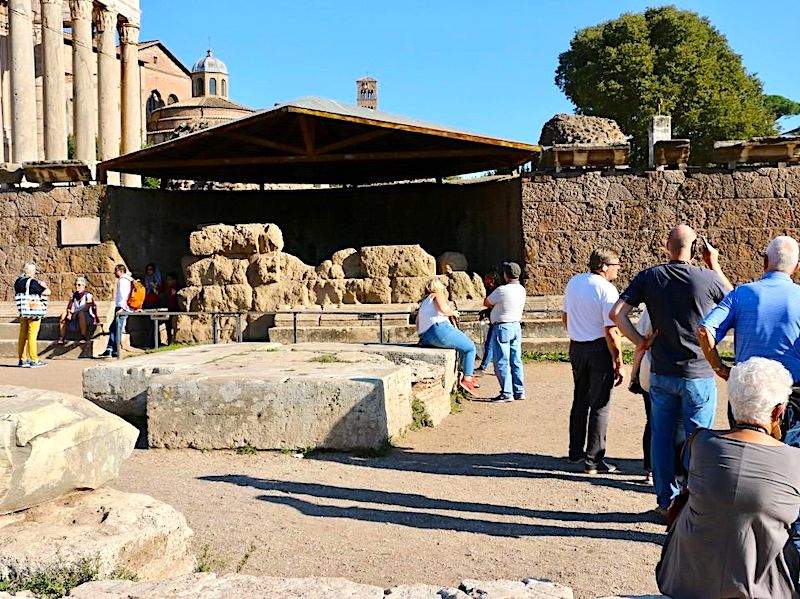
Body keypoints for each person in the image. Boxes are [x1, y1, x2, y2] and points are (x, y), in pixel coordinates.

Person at [610, 224, 733, 516]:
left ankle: (666, 503)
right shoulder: (707, 278)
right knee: (698, 440)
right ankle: (694, 504)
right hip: (698, 372)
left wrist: (640, 343)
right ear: (694, 249)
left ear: (666, 247)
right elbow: (735, 301)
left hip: (662, 373)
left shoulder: (650, 276)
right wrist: (714, 264)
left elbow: (617, 314)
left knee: (661, 438)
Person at [656, 357, 800, 599]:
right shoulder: (794, 461)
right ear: (778, 412)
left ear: (732, 403)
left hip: (685, 582)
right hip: (762, 590)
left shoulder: (699, 444)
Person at [699, 235, 800, 386]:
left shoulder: (740, 294)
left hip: (746, 389)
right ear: (797, 267)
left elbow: (704, 331)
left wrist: (720, 368)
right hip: (791, 389)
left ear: (765, 261)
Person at [563, 248, 624, 474]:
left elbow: (565, 317)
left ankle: (575, 452)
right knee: (600, 404)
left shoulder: (574, 282)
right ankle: (594, 459)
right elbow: (611, 330)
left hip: (577, 346)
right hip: (598, 348)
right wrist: (618, 360)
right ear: (604, 267)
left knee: (580, 399)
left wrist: (577, 333)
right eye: (616, 265)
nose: (618, 269)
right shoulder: (607, 289)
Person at [417, 277, 479, 395]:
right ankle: (467, 379)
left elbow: (418, 323)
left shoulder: (425, 302)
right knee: (470, 347)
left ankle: (464, 372)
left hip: (426, 336)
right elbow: (444, 309)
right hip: (439, 330)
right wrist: (453, 312)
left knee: (461, 347)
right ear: (438, 287)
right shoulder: (437, 294)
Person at [484, 262, 527, 403]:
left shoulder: (502, 290)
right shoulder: (521, 289)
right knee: (516, 360)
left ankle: (507, 392)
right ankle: (519, 391)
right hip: (516, 326)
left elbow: (487, 302)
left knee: (501, 360)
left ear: (505, 275)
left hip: (502, 327)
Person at [628, 307, 654, 483]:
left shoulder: (652, 306)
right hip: (690, 370)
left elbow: (642, 344)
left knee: (653, 421)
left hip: (652, 371)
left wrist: (634, 374)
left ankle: (650, 470)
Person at [13, 262, 51, 368]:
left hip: (23, 310)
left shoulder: (18, 281)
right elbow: (47, 292)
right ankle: (34, 360)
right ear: (31, 271)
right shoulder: (32, 282)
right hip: (34, 310)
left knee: (22, 334)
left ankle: (22, 359)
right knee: (32, 334)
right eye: (34, 270)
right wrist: (44, 286)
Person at [99, 264, 133, 358]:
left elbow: (123, 295)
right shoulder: (128, 280)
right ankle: (111, 349)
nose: (114, 273)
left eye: (116, 271)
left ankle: (114, 350)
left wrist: (122, 308)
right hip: (125, 307)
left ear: (121, 271)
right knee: (113, 328)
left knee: (116, 328)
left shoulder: (123, 280)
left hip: (121, 307)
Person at [57, 277, 99, 345]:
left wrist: (76, 313)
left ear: (84, 286)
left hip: (86, 316)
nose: (77, 286)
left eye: (79, 285)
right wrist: (69, 313)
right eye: (76, 285)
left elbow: (87, 307)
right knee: (63, 314)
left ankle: (83, 336)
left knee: (81, 313)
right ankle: (62, 337)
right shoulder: (73, 296)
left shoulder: (88, 295)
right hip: (76, 314)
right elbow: (69, 307)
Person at [476, 270, 499, 374]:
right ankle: (486, 366)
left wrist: (487, 310)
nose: (485, 280)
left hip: (497, 321)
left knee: (490, 344)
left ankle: (484, 367)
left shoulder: (496, 290)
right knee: (490, 344)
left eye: (486, 278)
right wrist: (485, 312)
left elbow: (492, 305)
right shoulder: (490, 289)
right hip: (493, 320)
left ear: (491, 279)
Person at [162, 272, 179, 345]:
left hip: (175, 309)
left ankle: (174, 340)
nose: (167, 281)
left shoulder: (177, 288)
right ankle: (169, 341)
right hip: (169, 308)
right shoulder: (167, 288)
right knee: (168, 326)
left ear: (174, 280)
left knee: (174, 326)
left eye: (169, 280)